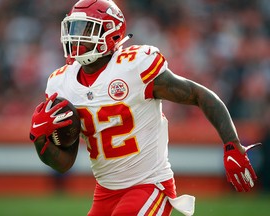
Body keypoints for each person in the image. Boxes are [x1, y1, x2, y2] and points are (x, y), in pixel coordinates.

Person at [29, 0, 261, 215]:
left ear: (111, 32)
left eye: (86, 29)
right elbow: (64, 163)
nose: (76, 37)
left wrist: (232, 144)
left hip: (149, 185)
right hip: (105, 192)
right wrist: (40, 140)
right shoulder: (61, 83)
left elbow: (200, 95)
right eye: (74, 28)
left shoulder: (134, 67)